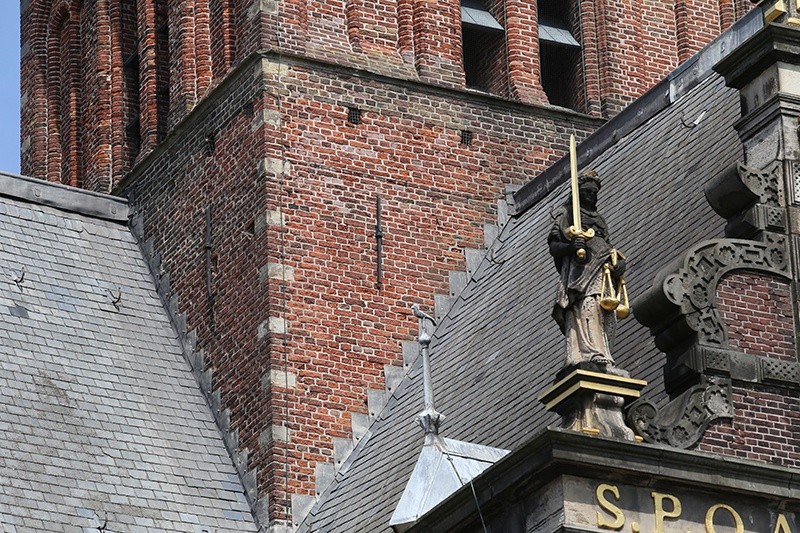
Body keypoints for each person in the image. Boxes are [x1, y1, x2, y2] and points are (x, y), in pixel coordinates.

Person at [548, 171, 625, 369]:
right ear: (578, 192)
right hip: (581, 273)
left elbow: (608, 246)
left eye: (595, 193)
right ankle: (588, 352)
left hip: (603, 270)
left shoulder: (599, 219)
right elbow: (554, 246)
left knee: (606, 311)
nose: (592, 196)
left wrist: (618, 264)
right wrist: (572, 246)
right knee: (587, 307)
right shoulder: (566, 214)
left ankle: (604, 352)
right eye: (587, 192)